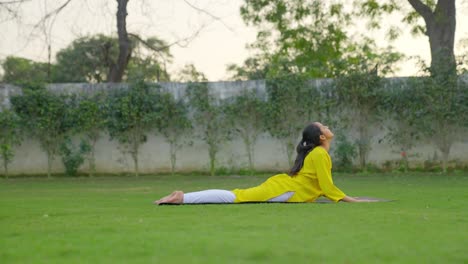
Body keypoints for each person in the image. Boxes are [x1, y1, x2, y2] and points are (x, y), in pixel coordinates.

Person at [154, 122, 374, 205]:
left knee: (237, 194)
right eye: (323, 126)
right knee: (237, 196)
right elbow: (327, 187)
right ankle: (183, 197)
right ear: (322, 137)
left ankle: (183, 197)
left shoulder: (317, 153)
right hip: (284, 190)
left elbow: (322, 187)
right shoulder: (319, 153)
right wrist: (351, 200)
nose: (327, 126)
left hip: (284, 186)